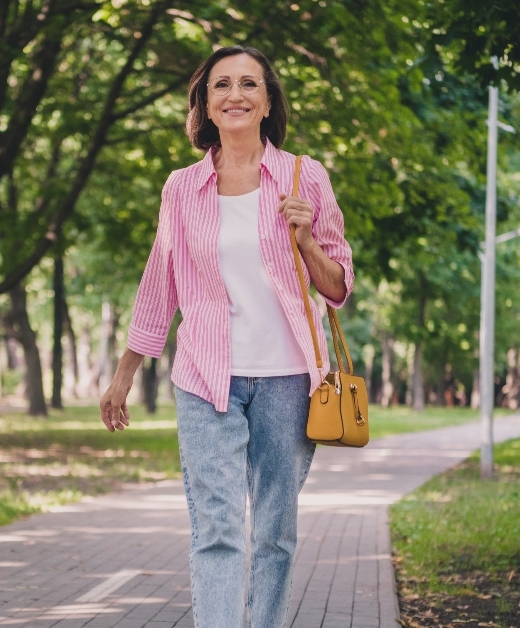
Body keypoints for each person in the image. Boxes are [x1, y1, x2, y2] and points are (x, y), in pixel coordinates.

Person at [98, 45, 354, 627]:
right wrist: (125, 375)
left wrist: (308, 239)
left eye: (248, 85)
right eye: (222, 86)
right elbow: (159, 282)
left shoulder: (303, 175)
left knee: (273, 531)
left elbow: (337, 287)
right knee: (216, 528)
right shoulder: (181, 188)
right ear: (206, 105)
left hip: (288, 380)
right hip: (206, 378)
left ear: (267, 102)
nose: (234, 94)